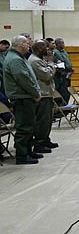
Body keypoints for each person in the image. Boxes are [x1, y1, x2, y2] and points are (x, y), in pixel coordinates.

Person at [3, 35, 42, 164]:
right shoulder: (15, 59)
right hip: (22, 97)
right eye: (26, 43)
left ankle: (28, 151)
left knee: (30, 125)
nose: (29, 45)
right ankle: (22, 155)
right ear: (20, 45)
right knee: (24, 127)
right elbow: (23, 79)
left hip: (25, 96)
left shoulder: (19, 57)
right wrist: (35, 92)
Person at [28, 39, 58, 152]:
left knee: (47, 120)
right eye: (46, 47)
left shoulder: (39, 59)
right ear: (40, 48)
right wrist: (51, 63)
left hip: (47, 93)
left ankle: (45, 139)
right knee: (42, 121)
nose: (48, 49)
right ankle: (39, 143)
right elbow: (46, 75)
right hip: (42, 94)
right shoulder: (34, 61)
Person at [53, 37, 74, 103]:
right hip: (62, 75)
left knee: (67, 92)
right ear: (58, 44)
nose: (63, 44)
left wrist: (71, 68)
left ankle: (66, 106)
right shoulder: (56, 52)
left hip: (68, 74)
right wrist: (69, 68)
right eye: (62, 43)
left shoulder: (64, 52)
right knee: (63, 92)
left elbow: (68, 61)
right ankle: (62, 107)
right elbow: (61, 62)